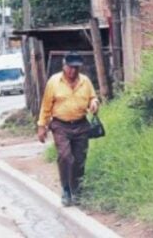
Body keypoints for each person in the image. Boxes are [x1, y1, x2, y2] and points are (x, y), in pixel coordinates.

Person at [37, 52, 100, 206]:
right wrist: (42, 126)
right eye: (70, 68)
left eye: (76, 68)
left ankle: (77, 191)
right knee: (65, 156)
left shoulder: (85, 81)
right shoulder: (54, 82)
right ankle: (66, 190)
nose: (73, 71)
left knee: (79, 160)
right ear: (64, 66)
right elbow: (46, 105)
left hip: (81, 124)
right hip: (60, 125)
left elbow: (93, 97)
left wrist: (94, 103)